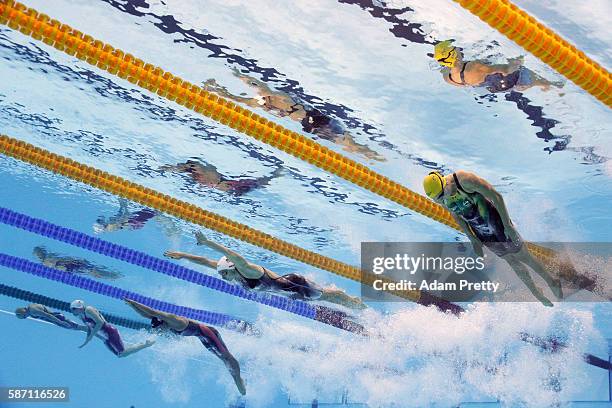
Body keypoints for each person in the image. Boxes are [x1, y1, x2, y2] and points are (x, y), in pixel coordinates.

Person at [423, 170, 563, 306]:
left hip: (499, 224)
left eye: (443, 195)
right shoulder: (440, 196)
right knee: (512, 262)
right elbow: (456, 215)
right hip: (483, 233)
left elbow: (496, 196)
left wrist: (508, 225)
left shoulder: (464, 180)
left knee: (524, 257)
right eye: (439, 199)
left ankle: (551, 281)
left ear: (444, 183)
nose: (443, 199)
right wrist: (472, 238)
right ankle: (536, 292)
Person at [203, 72, 385, 162]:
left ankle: (374, 155)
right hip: (313, 127)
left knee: (349, 144)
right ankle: (372, 155)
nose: (263, 105)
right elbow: (238, 99)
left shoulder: (279, 97)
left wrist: (240, 76)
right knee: (347, 145)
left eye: (264, 101)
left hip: (319, 120)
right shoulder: (264, 102)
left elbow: (259, 85)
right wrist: (216, 89)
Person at [164, 232, 366, 310]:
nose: (223, 277)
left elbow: (232, 254)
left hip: (295, 285)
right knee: (322, 299)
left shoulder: (246, 269)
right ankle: (344, 299)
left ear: (231, 268)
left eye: (224, 273)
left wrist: (209, 242)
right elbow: (206, 261)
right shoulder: (231, 274)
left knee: (327, 297)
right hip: (288, 292)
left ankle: (354, 302)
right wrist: (183, 255)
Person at [124, 299, 246, 395]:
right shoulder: (163, 322)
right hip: (201, 337)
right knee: (222, 359)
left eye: (161, 330)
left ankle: (238, 380)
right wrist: (131, 306)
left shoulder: (174, 321)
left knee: (226, 357)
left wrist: (134, 302)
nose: (162, 333)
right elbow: (147, 315)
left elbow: (152, 312)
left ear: (162, 323)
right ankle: (237, 378)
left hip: (208, 333)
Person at [433, 40, 563, 93]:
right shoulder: (475, 67)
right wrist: (517, 60)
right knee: (538, 77)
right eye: (456, 49)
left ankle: (541, 85)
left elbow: (469, 83)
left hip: (498, 88)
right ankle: (556, 85)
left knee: (533, 82)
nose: (459, 50)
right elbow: (507, 70)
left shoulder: (447, 76)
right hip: (513, 79)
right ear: (454, 55)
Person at [69, 299, 154, 357]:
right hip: (105, 338)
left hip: (110, 333)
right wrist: (87, 340)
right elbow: (90, 329)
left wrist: (91, 336)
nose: (72, 312)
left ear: (79, 307)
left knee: (122, 353)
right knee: (120, 355)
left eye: (73, 309)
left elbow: (100, 322)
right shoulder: (81, 316)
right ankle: (144, 344)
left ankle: (146, 344)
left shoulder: (88, 310)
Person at [160, 160, 283, 196]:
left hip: (227, 184)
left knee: (261, 183)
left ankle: (277, 174)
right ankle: (277, 174)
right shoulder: (195, 172)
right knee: (261, 183)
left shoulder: (197, 170)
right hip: (226, 186)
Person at [33, 247, 123, 280]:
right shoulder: (45, 261)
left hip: (73, 265)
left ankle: (115, 275)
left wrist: (70, 263)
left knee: (94, 271)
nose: (38, 256)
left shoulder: (49, 257)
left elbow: (64, 260)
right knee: (94, 273)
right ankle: (114, 276)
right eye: (37, 255)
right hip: (71, 268)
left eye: (38, 253)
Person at [93, 199, 158, 233]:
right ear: (102, 224)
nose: (102, 219)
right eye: (101, 221)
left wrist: (122, 204)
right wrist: (124, 205)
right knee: (154, 210)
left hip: (134, 220)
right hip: (135, 220)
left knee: (154, 210)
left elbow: (120, 214)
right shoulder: (111, 225)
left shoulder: (110, 225)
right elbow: (125, 217)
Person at [15, 303, 87, 331]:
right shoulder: (30, 307)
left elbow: (48, 315)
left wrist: (61, 322)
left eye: (24, 317)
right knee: (77, 327)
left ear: (23, 312)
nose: (26, 317)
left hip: (57, 318)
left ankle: (95, 331)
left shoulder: (33, 311)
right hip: (56, 318)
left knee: (77, 327)